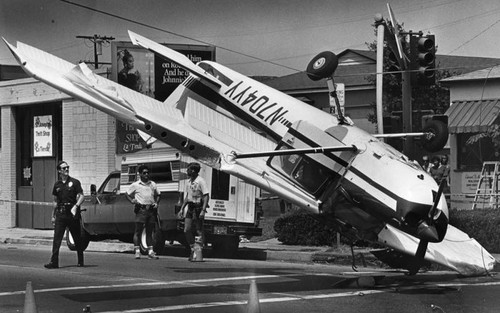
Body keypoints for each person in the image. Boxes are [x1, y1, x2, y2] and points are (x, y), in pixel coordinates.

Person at [44, 161, 85, 269]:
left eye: (67, 167)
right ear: (59, 171)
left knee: (77, 237)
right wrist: (53, 215)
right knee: (57, 238)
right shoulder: (57, 185)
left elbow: (81, 196)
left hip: (72, 213)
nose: (66, 169)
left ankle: (80, 260)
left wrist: (76, 206)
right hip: (61, 213)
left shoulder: (75, 182)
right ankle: (54, 262)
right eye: (64, 168)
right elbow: (55, 201)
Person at [126, 165, 160, 259]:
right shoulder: (136, 185)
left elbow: (159, 194)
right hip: (141, 210)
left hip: (151, 210)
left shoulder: (152, 184)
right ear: (140, 174)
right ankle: (137, 251)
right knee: (138, 231)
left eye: (147, 173)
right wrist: (132, 200)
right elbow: (127, 194)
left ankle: (150, 251)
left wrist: (156, 203)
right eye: (144, 173)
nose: (146, 174)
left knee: (149, 232)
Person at [177, 162, 209, 261]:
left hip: (198, 207)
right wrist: (182, 208)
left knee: (199, 230)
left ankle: (198, 252)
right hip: (190, 207)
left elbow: (206, 196)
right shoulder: (189, 182)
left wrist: (203, 210)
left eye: (188, 170)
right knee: (186, 229)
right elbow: (188, 196)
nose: (187, 171)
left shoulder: (201, 181)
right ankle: (193, 248)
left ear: (193, 171)